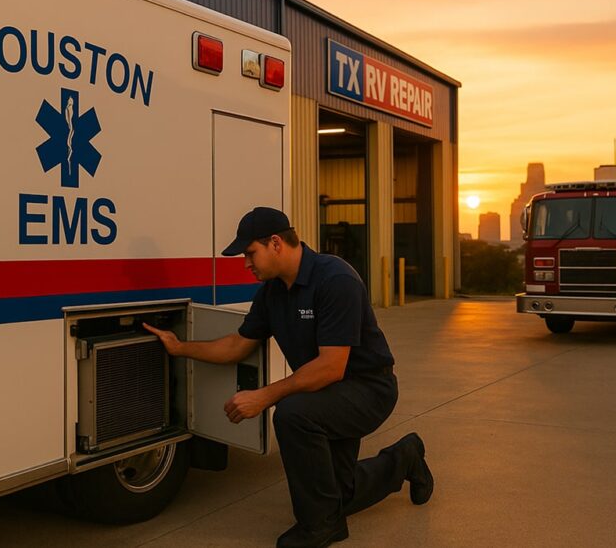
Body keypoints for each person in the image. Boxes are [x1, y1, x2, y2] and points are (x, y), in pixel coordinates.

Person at [143, 206, 434, 548]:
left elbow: (331, 366)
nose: (246, 263)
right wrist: (181, 348)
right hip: (328, 392)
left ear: (276, 243)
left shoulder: (335, 280)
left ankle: (321, 526)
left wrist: (264, 396)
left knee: (293, 415)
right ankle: (405, 457)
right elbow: (238, 345)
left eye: (250, 253)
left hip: (368, 388)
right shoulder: (272, 293)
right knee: (339, 492)